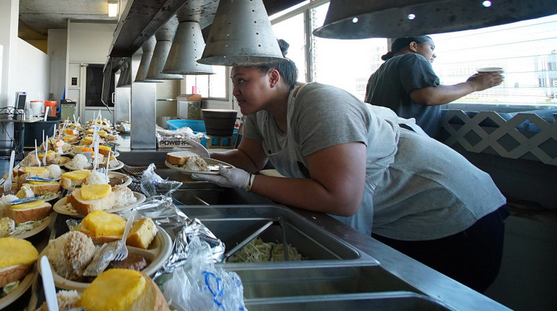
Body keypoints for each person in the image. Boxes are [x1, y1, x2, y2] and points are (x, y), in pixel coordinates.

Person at [190, 57, 508, 293]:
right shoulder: (261, 114)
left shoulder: (319, 103)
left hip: (452, 213)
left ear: (273, 78)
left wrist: (247, 182)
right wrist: (202, 159)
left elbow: (340, 198)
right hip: (395, 217)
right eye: (234, 82)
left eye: (242, 80)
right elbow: (248, 159)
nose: (235, 91)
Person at [364, 36, 503, 138]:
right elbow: (428, 96)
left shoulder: (377, 74)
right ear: (414, 46)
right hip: (408, 142)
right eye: (431, 48)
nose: (434, 54)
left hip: (383, 141)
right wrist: (474, 84)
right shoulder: (413, 59)